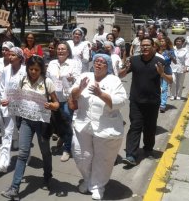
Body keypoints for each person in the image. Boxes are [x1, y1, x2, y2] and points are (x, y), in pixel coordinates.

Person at [1, 56, 59, 200]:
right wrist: (8, 101)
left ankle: (47, 177)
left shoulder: (47, 82)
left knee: (45, 152)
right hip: (26, 121)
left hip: (43, 124)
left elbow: (57, 104)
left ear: (41, 70)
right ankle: (14, 188)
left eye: (36, 70)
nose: (33, 72)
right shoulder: (22, 80)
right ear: (27, 68)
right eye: (31, 69)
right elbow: (17, 98)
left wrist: (51, 105)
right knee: (22, 154)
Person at [70, 54, 127, 200]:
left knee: (103, 159)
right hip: (82, 123)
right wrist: (81, 88)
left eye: (102, 62)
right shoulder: (85, 75)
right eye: (96, 61)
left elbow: (121, 101)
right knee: (80, 154)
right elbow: (73, 95)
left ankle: (97, 186)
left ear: (107, 66)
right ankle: (88, 180)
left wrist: (101, 94)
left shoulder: (113, 80)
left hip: (105, 126)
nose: (98, 64)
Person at [119, 37, 172, 166]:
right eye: (143, 45)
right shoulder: (134, 60)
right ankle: (131, 154)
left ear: (154, 47)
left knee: (150, 127)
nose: (145, 48)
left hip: (152, 101)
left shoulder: (160, 61)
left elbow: (170, 80)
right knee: (135, 126)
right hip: (136, 100)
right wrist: (125, 68)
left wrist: (162, 74)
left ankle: (148, 149)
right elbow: (121, 74)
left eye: (148, 45)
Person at [0, 47, 26, 173]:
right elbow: (1, 87)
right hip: (8, 104)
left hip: (23, 105)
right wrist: (4, 99)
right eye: (9, 54)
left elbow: (25, 89)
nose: (10, 57)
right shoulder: (6, 70)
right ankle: (3, 163)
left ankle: (23, 153)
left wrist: (12, 100)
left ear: (20, 58)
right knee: (7, 132)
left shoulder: (25, 71)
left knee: (24, 131)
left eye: (13, 55)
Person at [46, 42, 81, 162]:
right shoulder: (52, 63)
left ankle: (67, 149)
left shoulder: (74, 63)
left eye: (63, 49)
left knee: (67, 123)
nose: (60, 51)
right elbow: (47, 79)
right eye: (59, 49)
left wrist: (72, 79)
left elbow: (78, 80)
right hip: (54, 98)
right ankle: (63, 138)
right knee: (56, 123)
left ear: (68, 52)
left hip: (67, 98)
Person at [158, 37, 176, 113]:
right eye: (160, 41)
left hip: (166, 70)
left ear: (166, 42)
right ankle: (156, 102)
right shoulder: (157, 50)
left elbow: (175, 62)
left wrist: (171, 56)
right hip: (157, 69)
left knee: (164, 88)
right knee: (157, 87)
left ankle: (162, 105)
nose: (161, 42)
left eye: (163, 41)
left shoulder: (170, 51)